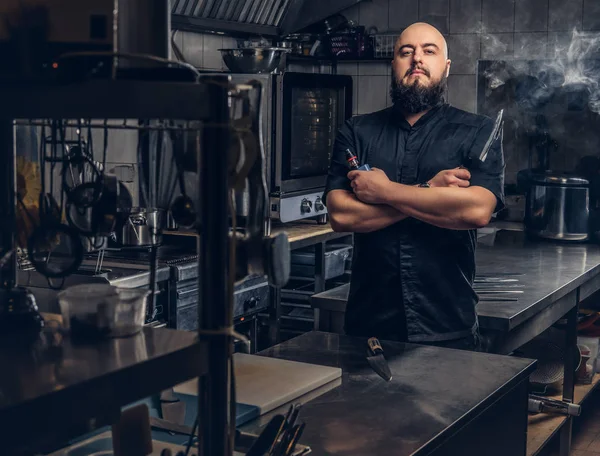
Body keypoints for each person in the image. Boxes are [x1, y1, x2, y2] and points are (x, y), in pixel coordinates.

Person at [323, 22, 505, 351]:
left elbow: (477, 210)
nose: (416, 58)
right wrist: (431, 191)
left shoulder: (478, 131)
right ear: (393, 65)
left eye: (428, 51)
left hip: (448, 324)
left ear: (446, 67)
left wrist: (382, 192)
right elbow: (341, 215)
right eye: (405, 52)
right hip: (368, 326)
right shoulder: (356, 131)